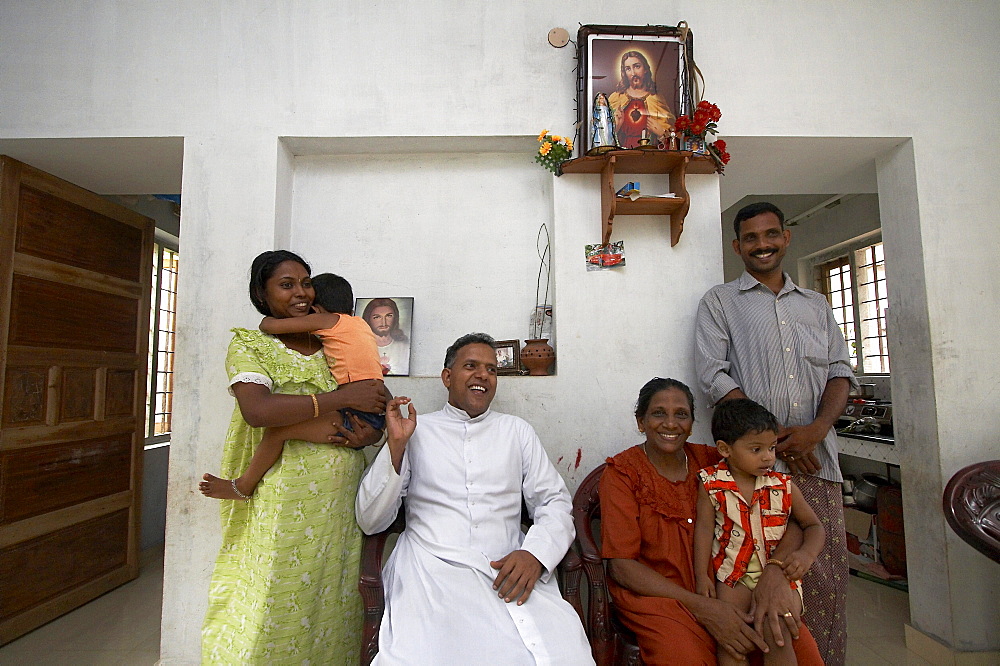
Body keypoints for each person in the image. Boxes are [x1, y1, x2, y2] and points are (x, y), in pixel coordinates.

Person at [355, 333, 594, 665]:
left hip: (508, 567)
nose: (483, 375)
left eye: (492, 370)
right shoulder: (416, 430)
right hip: (433, 569)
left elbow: (554, 501)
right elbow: (370, 519)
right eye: (471, 366)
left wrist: (535, 555)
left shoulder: (516, 431)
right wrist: (395, 447)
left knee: (559, 649)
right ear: (447, 377)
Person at [200, 250, 388, 664]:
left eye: (306, 283)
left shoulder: (331, 341)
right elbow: (259, 412)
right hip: (282, 506)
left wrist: (365, 435)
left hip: (340, 508)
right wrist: (339, 399)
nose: (301, 292)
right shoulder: (251, 345)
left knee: (332, 603)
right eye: (287, 285)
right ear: (260, 294)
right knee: (275, 600)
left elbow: (375, 404)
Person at [695, 201, 856, 665]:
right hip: (748, 473)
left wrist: (817, 431)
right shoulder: (721, 302)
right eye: (751, 238)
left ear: (786, 237)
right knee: (747, 585)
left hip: (816, 463)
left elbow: (840, 371)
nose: (762, 244)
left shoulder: (817, 306)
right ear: (737, 246)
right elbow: (715, 377)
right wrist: (781, 442)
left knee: (819, 584)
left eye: (770, 235)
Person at [600, 377, 824, 665]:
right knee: (686, 656)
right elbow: (621, 566)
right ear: (641, 422)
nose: (670, 423)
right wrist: (704, 607)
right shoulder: (623, 474)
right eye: (658, 413)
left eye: (681, 414)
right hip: (661, 600)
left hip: (734, 589)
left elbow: (787, 516)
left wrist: (775, 571)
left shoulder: (716, 462)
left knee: (799, 650)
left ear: (692, 423)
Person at [200, 271, 386, 501]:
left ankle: (243, 486)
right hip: (370, 416)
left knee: (278, 432)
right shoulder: (360, 326)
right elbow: (378, 391)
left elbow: (269, 327)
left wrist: (267, 320)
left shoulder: (329, 321)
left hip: (356, 420)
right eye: (287, 285)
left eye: (306, 287)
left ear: (315, 309)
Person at [694, 399, 826, 666]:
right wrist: (701, 576)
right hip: (732, 577)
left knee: (776, 631)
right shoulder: (710, 484)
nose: (768, 457)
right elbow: (704, 531)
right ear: (725, 449)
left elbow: (814, 526)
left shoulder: (783, 485)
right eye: (756, 449)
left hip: (781, 578)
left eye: (772, 447)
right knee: (731, 640)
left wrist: (806, 555)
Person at [606, 50, 675, 149]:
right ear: (624, 72)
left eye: (637, 66)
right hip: (621, 156)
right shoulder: (616, 98)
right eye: (628, 69)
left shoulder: (656, 99)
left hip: (649, 157)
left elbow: (672, 137)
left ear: (645, 69)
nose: (633, 73)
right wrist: (616, 127)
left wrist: (661, 134)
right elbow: (603, 136)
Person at [361, 297, 411, 376]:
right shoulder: (360, 347)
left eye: (388, 316)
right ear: (368, 319)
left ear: (395, 318)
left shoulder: (405, 346)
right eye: (377, 317)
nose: (383, 322)